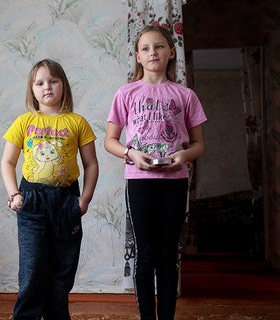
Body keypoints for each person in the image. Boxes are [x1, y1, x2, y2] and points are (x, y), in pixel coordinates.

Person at [104, 25, 207, 320]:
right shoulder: (126, 93)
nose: (153, 53)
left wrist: (183, 155)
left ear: (171, 52)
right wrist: (131, 153)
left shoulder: (185, 95)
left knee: (168, 254)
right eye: (146, 48)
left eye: (159, 46)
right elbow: (110, 141)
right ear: (137, 56)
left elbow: (199, 144)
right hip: (139, 182)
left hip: (175, 182)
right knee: (145, 253)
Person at [1, 59, 99, 319]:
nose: (47, 87)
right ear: (31, 90)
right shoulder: (24, 122)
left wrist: (84, 199)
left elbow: (91, 164)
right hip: (32, 202)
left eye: (54, 81)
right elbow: (7, 162)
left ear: (63, 86)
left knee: (62, 272)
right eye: (40, 82)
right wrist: (14, 194)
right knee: (32, 271)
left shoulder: (77, 123)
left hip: (67, 201)